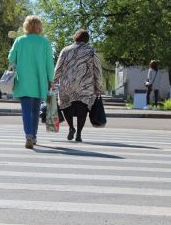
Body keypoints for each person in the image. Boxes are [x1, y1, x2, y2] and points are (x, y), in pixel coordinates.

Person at [8, 15, 55, 149]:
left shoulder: (19, 40)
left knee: (26, 111)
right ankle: (33, 136)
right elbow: (49, 64)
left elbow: (11, 58)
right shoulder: (45, 42)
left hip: (23, 80)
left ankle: (28, 135)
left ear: (26, 26)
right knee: (35, 111)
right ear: (39, 27)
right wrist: (51, 80)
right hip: (40, 81)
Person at [53, 29, 103, 143]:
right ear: (87, 39)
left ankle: (71, 127)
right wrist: (98, 87)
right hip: (85, 85)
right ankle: (79, 134)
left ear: (75, 38)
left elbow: (58, 67)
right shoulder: (91, 51)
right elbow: (97, 70)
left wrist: (53, 81)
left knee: (66, 106)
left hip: (67, 84)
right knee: (83, 109)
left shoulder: (65, 50)